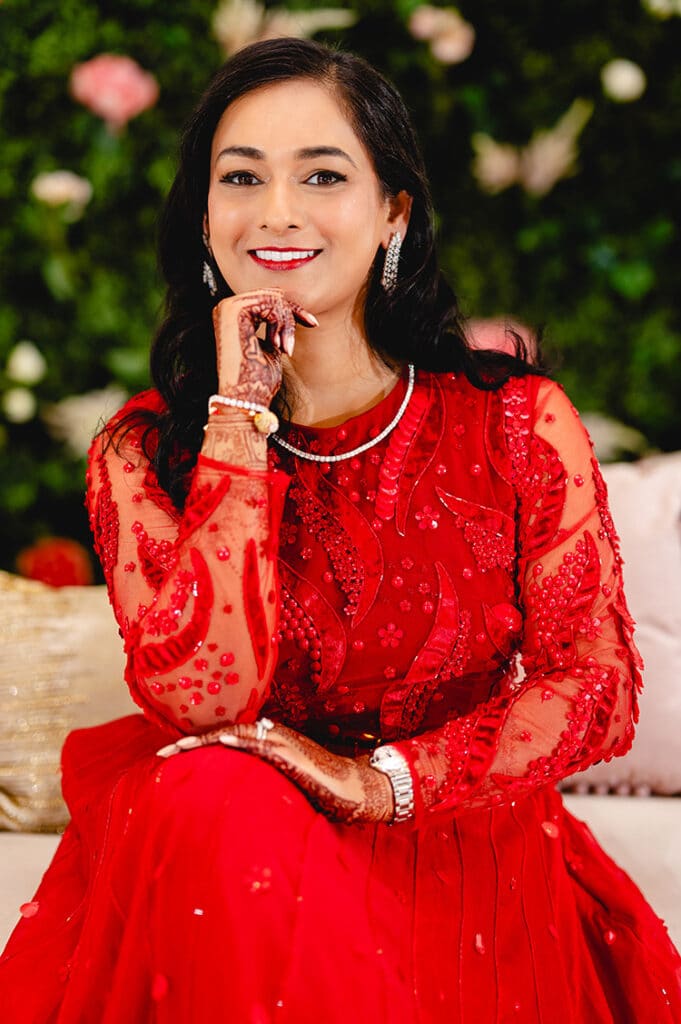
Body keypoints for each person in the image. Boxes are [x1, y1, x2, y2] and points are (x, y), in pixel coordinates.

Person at [2, 36, 680, 1024]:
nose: (277, 211)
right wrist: (241, 411)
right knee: (210, 794)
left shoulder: (513, 424)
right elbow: (204, 697)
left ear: (391, 211)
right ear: (206, 217)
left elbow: (597, 685)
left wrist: (386, 781)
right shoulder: (146, 450)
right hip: (233, 869)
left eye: (322, 174)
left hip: (455, 847)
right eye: (242, 178)